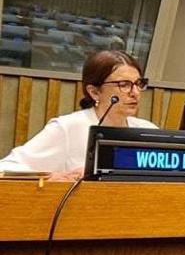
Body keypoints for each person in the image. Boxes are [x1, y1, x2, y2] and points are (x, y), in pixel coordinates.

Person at [0, 50, 156, 180]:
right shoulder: (68, 128)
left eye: (138, 84)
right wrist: (55, 178)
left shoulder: (148, 130)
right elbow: (5, 168)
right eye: (124, 85)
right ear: (94, 92)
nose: (135, 93)